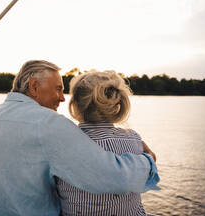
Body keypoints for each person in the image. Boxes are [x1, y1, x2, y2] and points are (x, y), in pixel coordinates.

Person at [0, 60, 159, 216]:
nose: (62, 98)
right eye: (58, 89)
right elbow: (110, 175)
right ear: (34, 87)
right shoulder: (46, 123)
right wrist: (148, 161)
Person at [56, 70, 157, 215]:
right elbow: (146, 175)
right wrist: (151, 159)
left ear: (76, 103)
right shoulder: (133, 139)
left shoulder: (61, 144)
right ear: (116, 102)